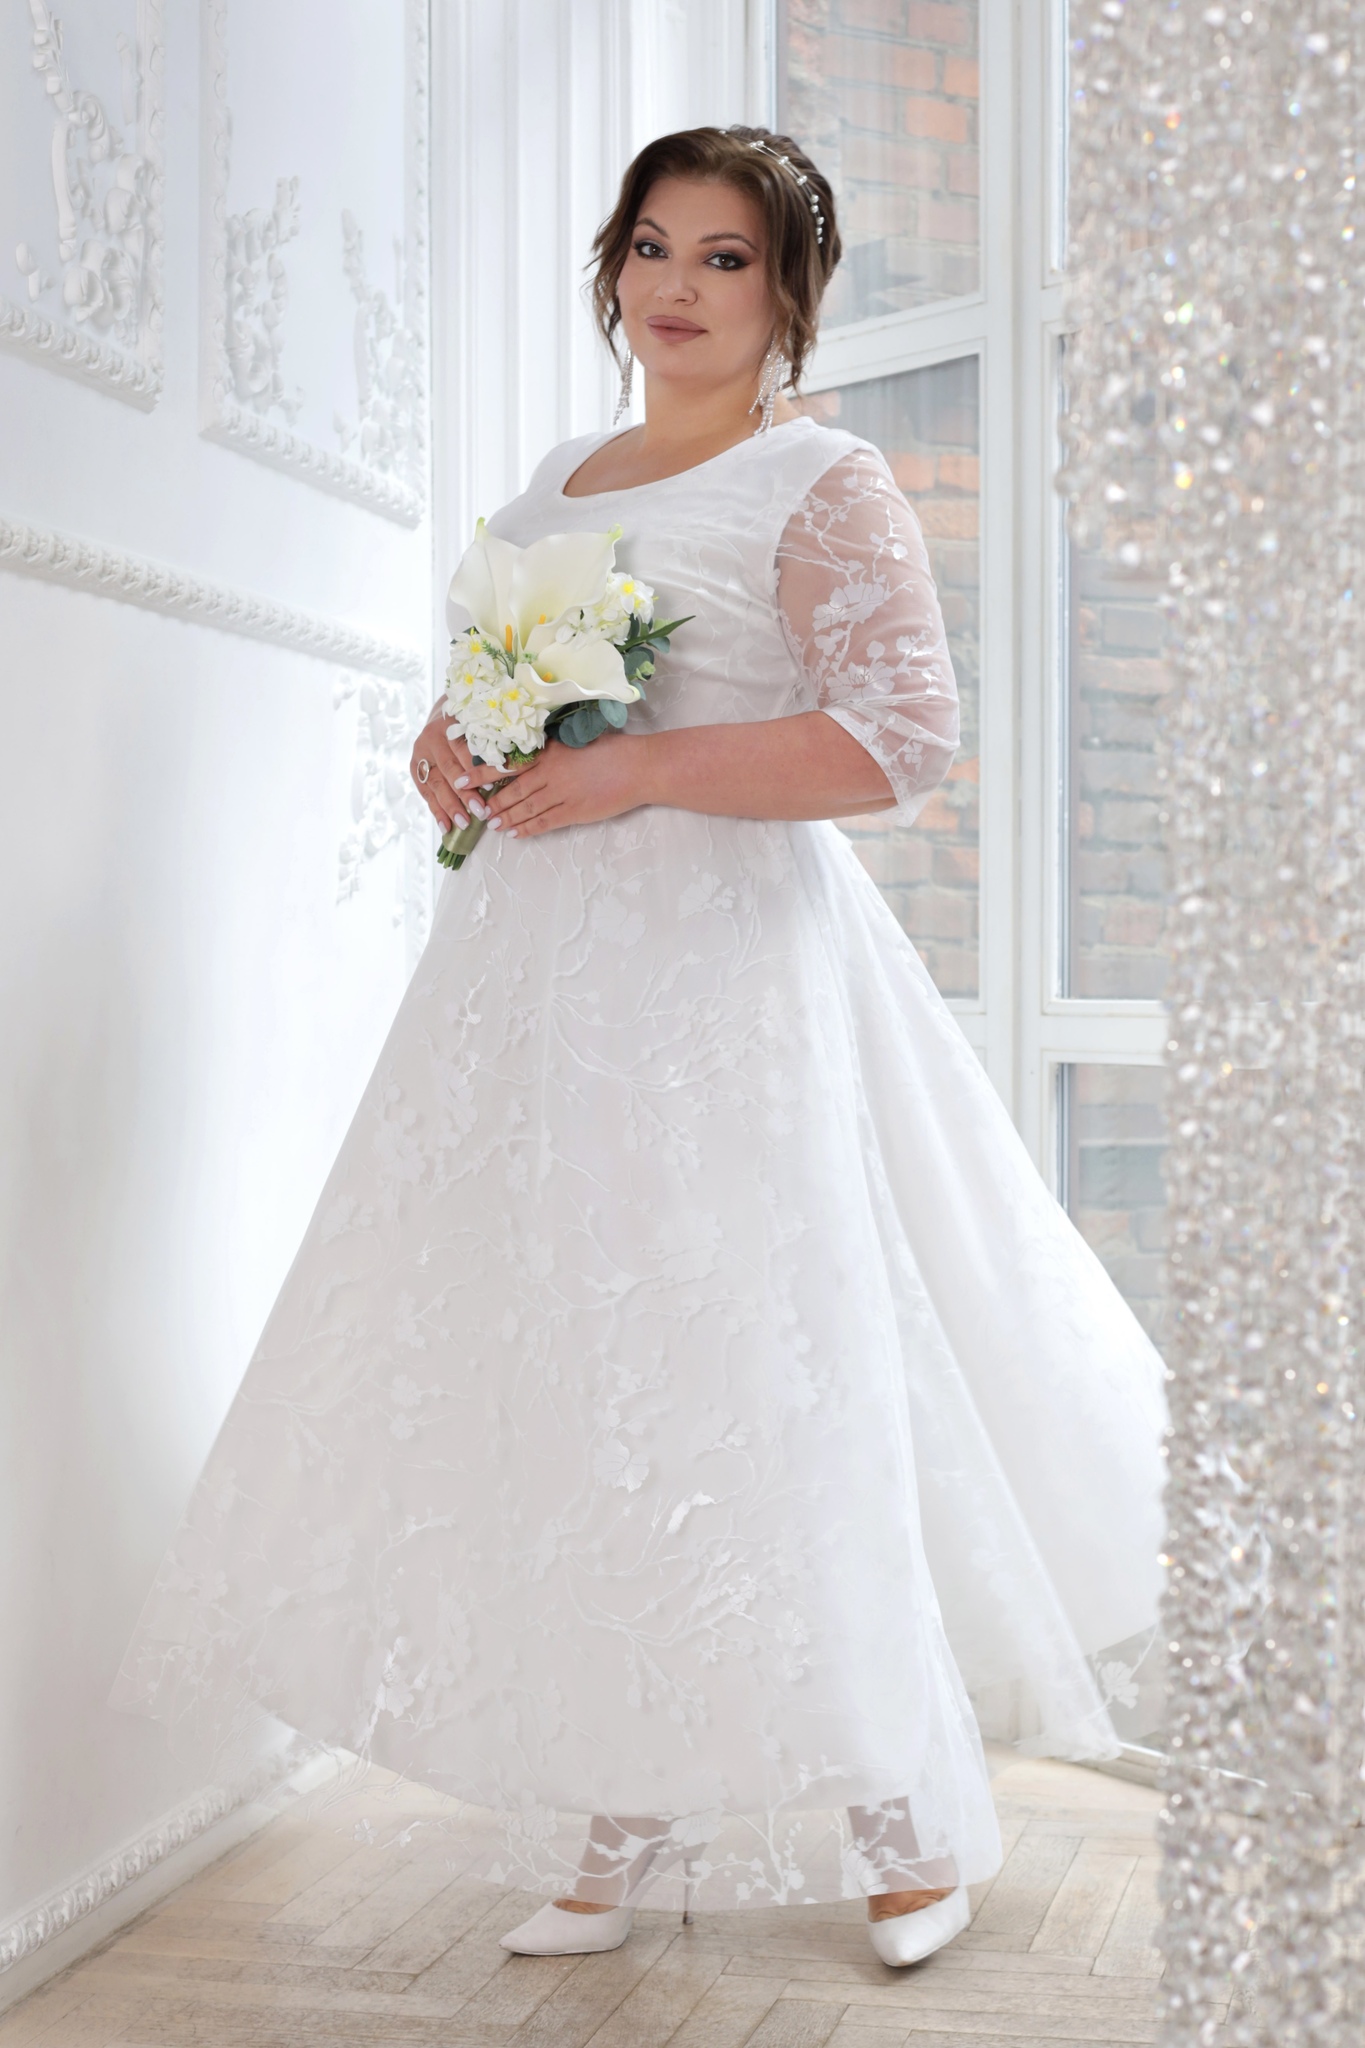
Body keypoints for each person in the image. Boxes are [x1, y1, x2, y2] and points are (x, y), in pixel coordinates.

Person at [114, 126, 1165, 1971]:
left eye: (724, 259)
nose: (676, 288)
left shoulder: (818, 479)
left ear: (789, 294)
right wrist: (451, 744)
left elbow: (899, 737)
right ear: (613, 267)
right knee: (576, 1376)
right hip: (536, 991)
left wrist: (638, 769)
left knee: (766, 1369)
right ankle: (614, 1811)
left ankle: (905, 1826)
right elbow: (510, 696)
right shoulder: (559, 479)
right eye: (651, 248)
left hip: (723, 984)